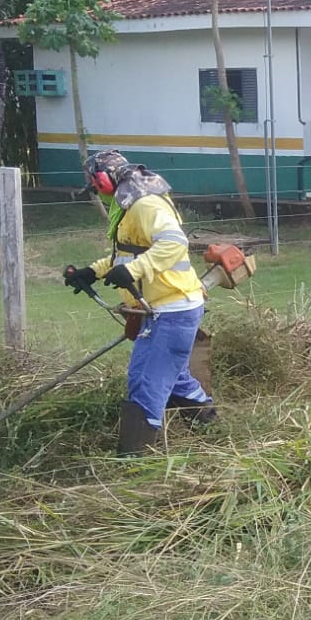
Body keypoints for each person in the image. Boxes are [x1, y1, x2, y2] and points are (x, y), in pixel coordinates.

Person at [63, 150, 215, 454]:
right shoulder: (132, 203)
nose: (96, 191)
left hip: (172, 309)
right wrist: (92, 272)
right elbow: (127, 253)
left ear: (105, 180)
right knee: (165, 375)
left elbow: (174, 243)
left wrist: (132, 271)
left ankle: (134, 458)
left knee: (147, 381)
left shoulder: (146, 204)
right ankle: (209, 423)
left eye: (95, 185)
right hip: (160, 307)